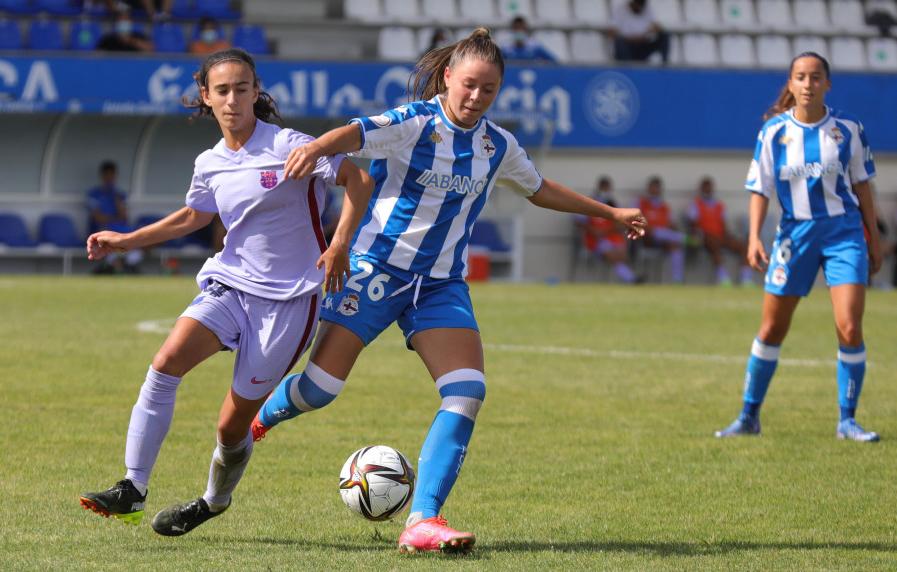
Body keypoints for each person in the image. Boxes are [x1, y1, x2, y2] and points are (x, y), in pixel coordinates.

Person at [249, 28, 647, 554]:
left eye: (488, 90)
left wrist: (611, 212)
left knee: (467, 392)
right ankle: (255, 421)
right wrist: (316, 149)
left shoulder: (496, 144)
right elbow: (355, 131)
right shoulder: (414, 122)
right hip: (376, 272)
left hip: (440, 285)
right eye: (469, 85)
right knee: (319, 390)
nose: (476, 97)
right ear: (446, 79)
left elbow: (539, 188)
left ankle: (423, 521)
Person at [78, 48, 374, 534]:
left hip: (289, 300)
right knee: (165, 360)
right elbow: (195, 215)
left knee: (230, 429)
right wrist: (125, 239)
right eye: (222, 91)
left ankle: (213, 502)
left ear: (256, 93)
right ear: (205, 97)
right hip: (230, 283)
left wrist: (340, 243)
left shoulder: (287, 144)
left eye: (242, 89)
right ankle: (131, 486)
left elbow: (357, 179)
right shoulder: (210, 162)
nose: (233, 99)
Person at [715, 52, 882, 442]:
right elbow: (761, 187)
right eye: (801, 77)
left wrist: (873, 237)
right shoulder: (774, 132)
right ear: (791, 84)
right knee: (772, 327)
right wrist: (755, 236)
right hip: (794, 236)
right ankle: (749, 417)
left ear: (828, 84)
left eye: (816, 77)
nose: (808, 84)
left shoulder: (848, 129)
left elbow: (862, 186)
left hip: (844, 234)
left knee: (849, 325)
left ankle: (847, 421)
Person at [685, 176, 754, 287]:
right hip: (705, 237)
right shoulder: (695, 204)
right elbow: (693, 223)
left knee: (742, 246)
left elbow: (723, 224)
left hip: (720, 236)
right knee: (714, 245)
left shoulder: (719, 205)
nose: (707, 190)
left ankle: (746, 279)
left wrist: (727, 236)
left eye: (709, 187)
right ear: (701, 189)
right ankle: (723, 278)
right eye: (705, 188)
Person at [574, 176, 639, 284]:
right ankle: (631, 279)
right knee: (611, 253)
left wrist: (606, 230)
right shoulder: (590, 202)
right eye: (603, 187)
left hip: (612, 238)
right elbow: (579, 221)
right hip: (596, 240)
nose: (605, 190)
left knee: (621, 254)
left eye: (607, 188)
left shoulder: (613, 203)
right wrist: (593, 230)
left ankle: (630, 279)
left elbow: (621, 221)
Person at [86, 160, 144, 274]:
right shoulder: (94, 194)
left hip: (120, 227)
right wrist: (115, 218)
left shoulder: (120, 194)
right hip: (103, 228)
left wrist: (116, 198)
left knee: (145, 232)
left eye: (111, 174)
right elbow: (98, 218)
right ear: (102, 175)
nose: (109, 177)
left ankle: (129, 261)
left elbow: (124, 216)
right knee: (106, 234)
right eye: (107, 174)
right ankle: (112, 263)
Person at [634, 175, 685, 283]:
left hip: (662, 240)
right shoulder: (640, 202)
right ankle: (684, 239)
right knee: (654, 231)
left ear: (660, 190)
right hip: (646, 237)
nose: (653, 190)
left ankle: (677, 281)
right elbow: (632, 220)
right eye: (651, 187)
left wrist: (672, 230)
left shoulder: (664, 206)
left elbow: (672, 224)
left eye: (656, 187)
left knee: (674, 247)